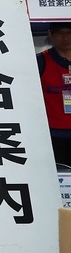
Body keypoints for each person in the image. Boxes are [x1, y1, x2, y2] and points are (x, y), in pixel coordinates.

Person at [38, 22, 71, 167]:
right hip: (52, 135)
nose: (66, 38)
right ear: (50, 35)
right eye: (60, 33)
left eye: (69, 32)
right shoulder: (40, 61)